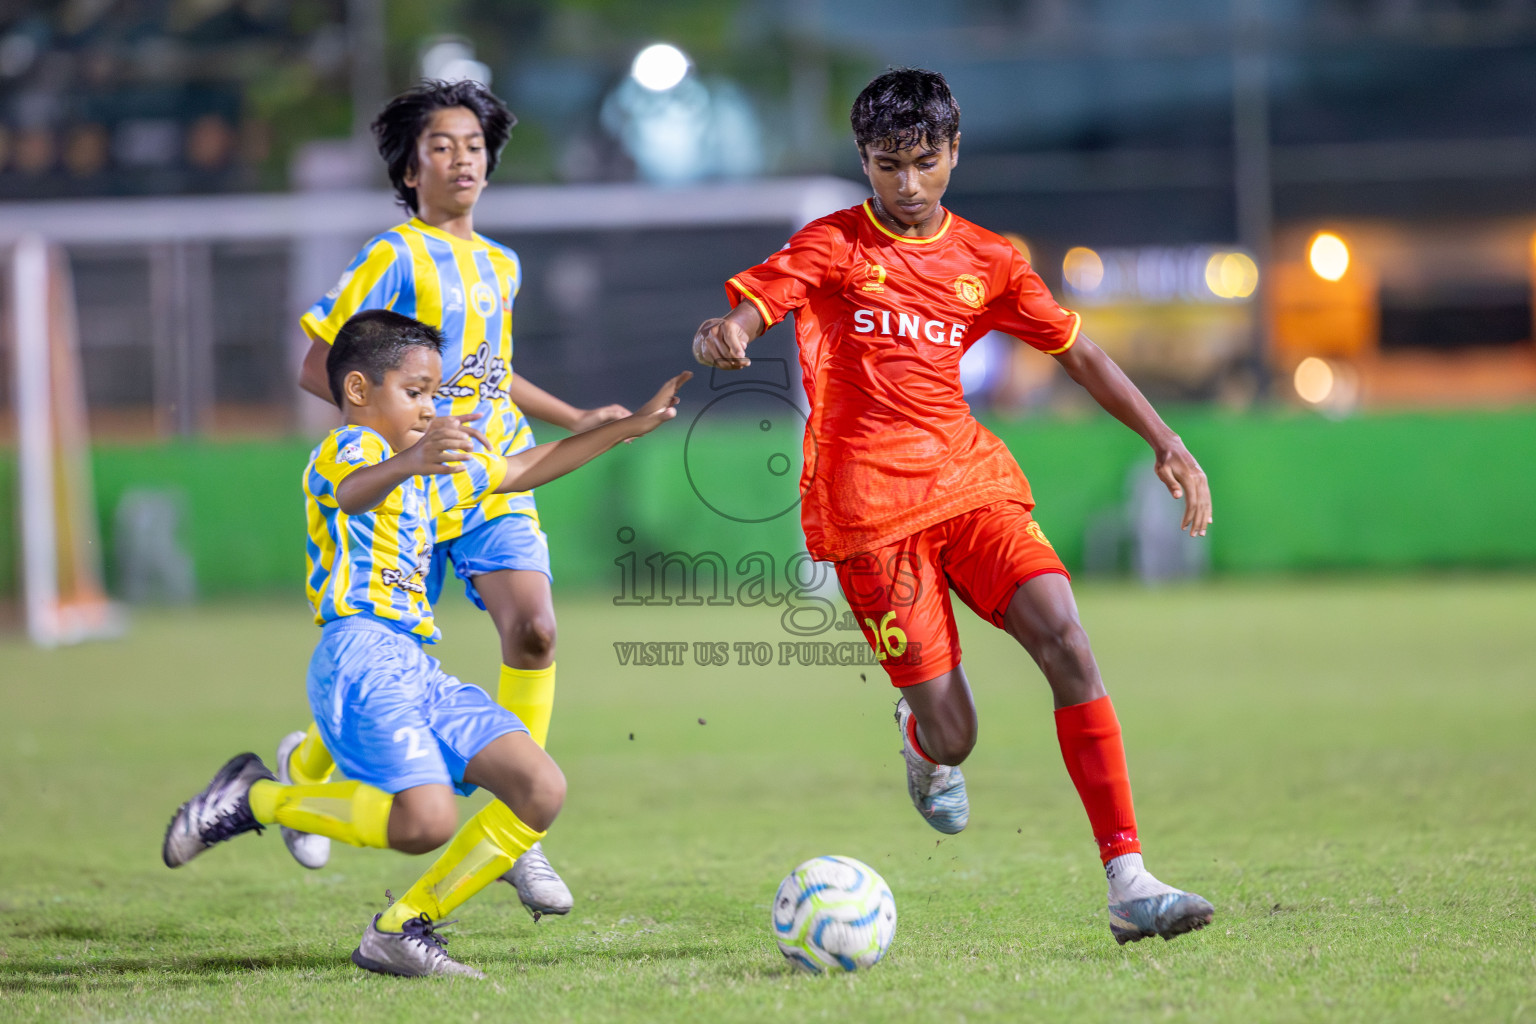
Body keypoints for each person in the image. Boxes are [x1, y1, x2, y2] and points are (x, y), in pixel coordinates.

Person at [690, 68, 1215, 945]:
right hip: (866, 518)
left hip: (969, 484)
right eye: (887, 165)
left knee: (1064, 633)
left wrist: (1167, 440)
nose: (906, 185)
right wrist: (729, 332)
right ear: (864, 160)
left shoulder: (992, 262)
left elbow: (1080, 355)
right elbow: (757, 306)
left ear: (954, 152)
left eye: (924, 162)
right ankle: (926, 743)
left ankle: (1129, 879)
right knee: (957, 732)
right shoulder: (833, 245)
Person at [163, 310, 689, 977]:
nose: (430, 406)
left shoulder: (431, 471)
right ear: (359, 392)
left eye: (435, 393)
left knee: (540, 789)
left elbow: (523, 468)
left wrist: (627, 429)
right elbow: (352, 495)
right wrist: (414, 458)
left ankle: (399, 928)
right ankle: (254, 799)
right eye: (415, 391)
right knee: (425, 824)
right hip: (356, 658)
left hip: (415, 666)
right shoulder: (351, 448)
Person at [281, 80, 628, 917]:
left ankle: (521, 833)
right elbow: (316, 366)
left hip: (493, 474)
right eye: (441, 145)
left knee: (536, 629)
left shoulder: (501, 264)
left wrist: (575, 416)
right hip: (417, 485)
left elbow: (490, 376)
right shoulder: (392, 254)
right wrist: (400, 454)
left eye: (472, 144)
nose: (461, 157)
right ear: (409, 168)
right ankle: (305, 771)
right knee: (391, 646)